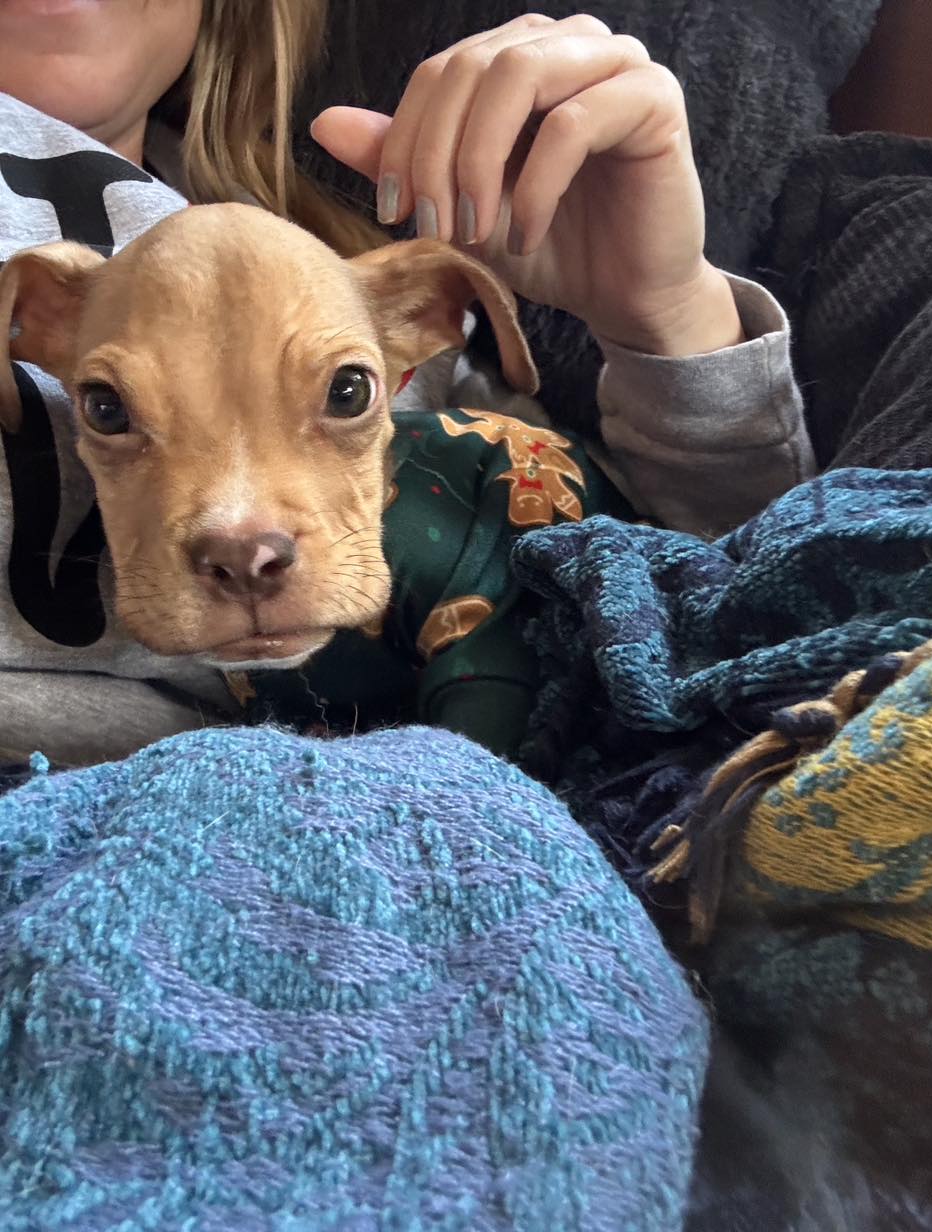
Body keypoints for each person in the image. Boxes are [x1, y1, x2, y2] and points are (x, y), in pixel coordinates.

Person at [0, 0, 811, 767]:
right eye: (110, 408)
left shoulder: (350, 264)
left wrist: (665, 315)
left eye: (346, 395)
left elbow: (729, 603)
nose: (244, 546)